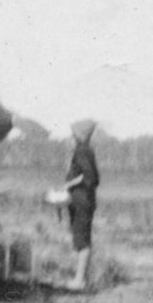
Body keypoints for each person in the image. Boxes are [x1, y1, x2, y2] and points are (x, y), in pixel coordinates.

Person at [65, 118, 100, 291]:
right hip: (82, 201)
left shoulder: (82, 152)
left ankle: (79, 281)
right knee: (80, 239)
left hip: (82, 201)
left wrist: (70, 184)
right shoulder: (84, 150)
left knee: (82, 240)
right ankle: (81, 278)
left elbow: (90, 177)